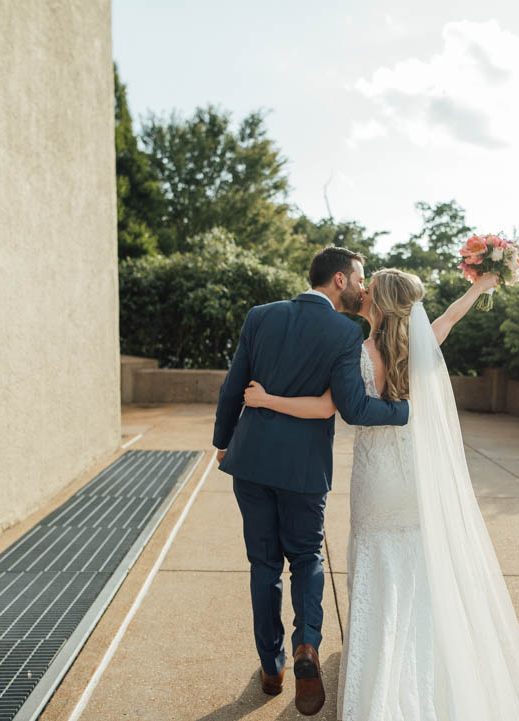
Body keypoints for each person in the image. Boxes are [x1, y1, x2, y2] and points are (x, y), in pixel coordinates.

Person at [243, 268, 519, 720]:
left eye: (368, 290)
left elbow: (329, 407)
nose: (360, 291)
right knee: (416, 568)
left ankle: (381, 673)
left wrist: (266, 401)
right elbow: (450, 316)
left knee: (376, 566)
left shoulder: (357, 352)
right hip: (414, 480)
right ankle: (426, 665)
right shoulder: (421, 347)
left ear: (378, 304)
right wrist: (482, 284)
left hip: (377, 480)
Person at [213, 247, 410, 716]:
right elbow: (355, 409)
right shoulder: (344, 332)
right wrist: (404, 412)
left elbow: (231, 386)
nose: (364, 288)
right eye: (360, 278)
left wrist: (223, 441)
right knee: (305, 557)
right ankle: (308, 646)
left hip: (251, 461)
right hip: (304, 471)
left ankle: (270, 666)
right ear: (340, 280)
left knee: (263, 564)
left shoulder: (260, 316)